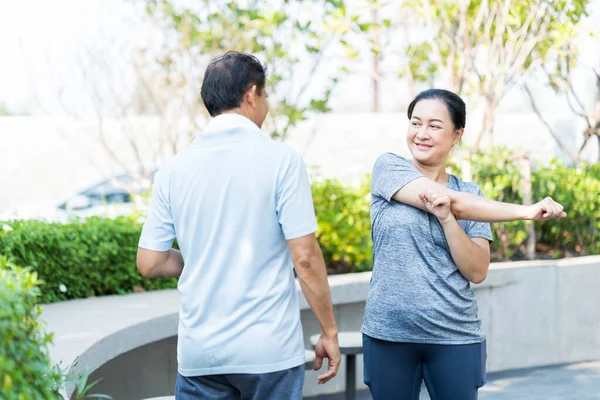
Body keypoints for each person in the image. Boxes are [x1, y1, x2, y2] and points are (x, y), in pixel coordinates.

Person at [136, 51, 341, 400]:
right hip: (269, 352)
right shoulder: (282, 160)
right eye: (265, 95)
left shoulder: (173, 169)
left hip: (201, 353)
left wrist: (205, 256)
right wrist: (329, 332)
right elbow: (304, 258)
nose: (266, 104)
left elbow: (149, 262)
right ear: (251, 93)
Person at [362, 89, 567, 400]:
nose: (422, 134)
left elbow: (476, 270)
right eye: (415, 123)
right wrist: (525, 211)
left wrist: (447, 221)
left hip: (454, 334)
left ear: (457, 135)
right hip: (389, 333)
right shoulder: (388, 170)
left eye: (434, 125)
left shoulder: (471, 195)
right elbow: (450, 200)